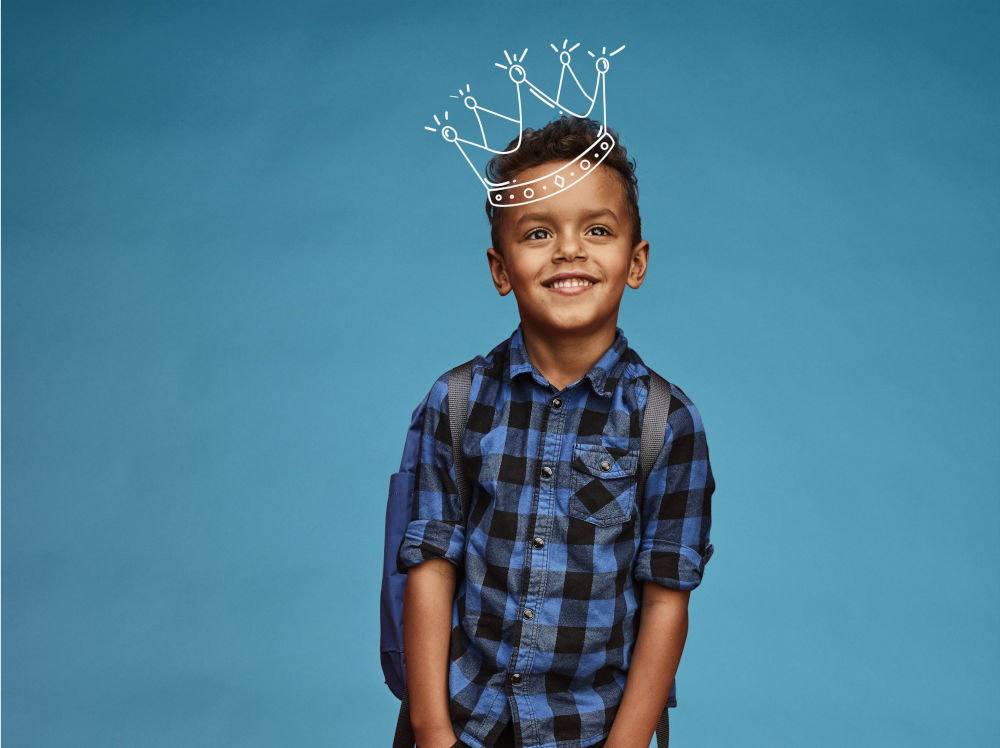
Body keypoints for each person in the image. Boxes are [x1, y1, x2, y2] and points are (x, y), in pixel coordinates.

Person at [396, 116, 715, 748]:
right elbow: (431, 566)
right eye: (539, 232)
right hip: (464, 722)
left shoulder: (666, 423)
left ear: (636, 261)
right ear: (501, 268)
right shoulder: (456, 402)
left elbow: (666, 601)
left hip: (593, 729)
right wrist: (432, 731)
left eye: (597, 229)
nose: (569, 250)